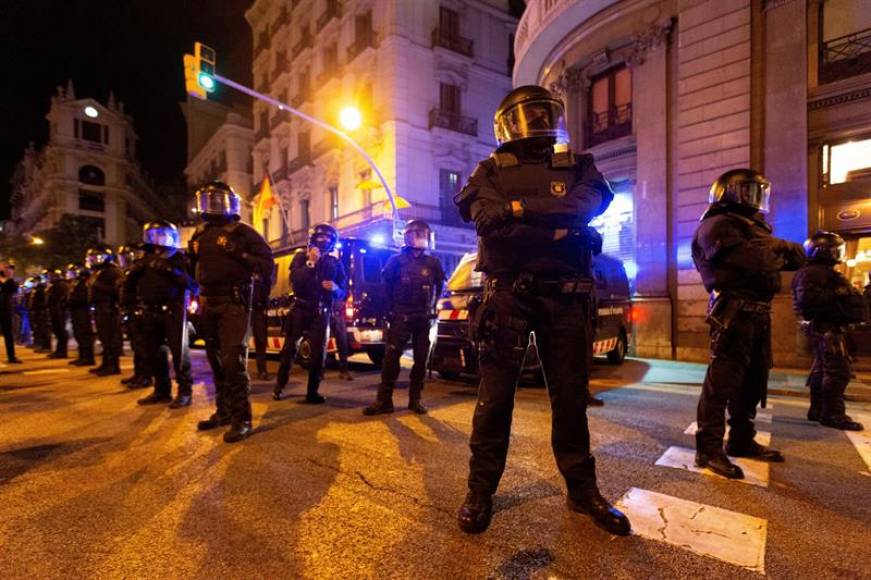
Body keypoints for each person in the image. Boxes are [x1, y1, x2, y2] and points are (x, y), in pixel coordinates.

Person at [452, 85, 629, 536]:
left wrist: (518, 210)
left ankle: (582, 491)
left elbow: (586, 205)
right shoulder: (489, 169)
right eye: (527, 115)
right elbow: (491, 228)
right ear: (507, 125)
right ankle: (479, 491)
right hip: (507, 297)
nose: (537, 122)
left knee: (570, 400)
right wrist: (562, 229)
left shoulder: (579, 164)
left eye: (543, 112)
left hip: (565, 298)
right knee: (494, 401)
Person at [691, 169, 806, 479]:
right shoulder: (716, 225)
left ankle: (741, 439)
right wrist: (777, 248)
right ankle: (708, 449)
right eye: (748, 191)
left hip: (758, 314)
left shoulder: (753, 228)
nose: (755, 198)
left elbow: (799, 257)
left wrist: (773, 247)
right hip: (733, 313)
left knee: (753, 380)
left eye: (758, 191)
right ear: (728, 192)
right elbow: (758, 261)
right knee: (722, 383)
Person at [188, 181, 273, 442]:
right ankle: (223, 412)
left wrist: (239, 254)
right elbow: (192, 270)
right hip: (208, 303)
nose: (213, 205)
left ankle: (242, 419)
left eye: (218, 199)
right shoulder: (199, 233)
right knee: (215, 361)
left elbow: (266, 264)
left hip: (233, 303)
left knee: (232, 362)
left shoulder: (243, 232)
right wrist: (189, 256)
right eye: (209, 199)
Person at [364, 220, 444, 416]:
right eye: (418, 234)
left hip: (423, 318)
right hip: (401, 317)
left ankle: (415, 400)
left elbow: (439, 286)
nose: (422, 238)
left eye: (424, 235)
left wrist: (433, 308)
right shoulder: (396, 261)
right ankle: (384, 401)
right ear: (409, 237)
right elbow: (386, 289)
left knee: (421, 359)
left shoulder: (432, 263)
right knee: (391, 358)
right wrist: (390, 313)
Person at [792, 231, 868, 431]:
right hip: (826, 328)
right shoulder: (813, 272)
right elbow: (808, 301)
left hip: (827, 327)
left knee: (822, 371)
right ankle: (833, 414)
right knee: (837, 372)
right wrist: (839, 293)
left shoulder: (818, 271)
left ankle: (818, 409)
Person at [273, 223, 346, 404]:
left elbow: (343, 291)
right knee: (289, 349)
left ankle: (313, 392)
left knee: (319, 354)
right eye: (320, 237)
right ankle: (280, 386)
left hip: (321, 312)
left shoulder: (335, 263)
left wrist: (336, 289)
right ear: (313, 239)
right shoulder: (301, 257)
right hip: (300, 308)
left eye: (328, 238)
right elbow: (295, 280)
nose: (324, 241)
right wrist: (311, 263)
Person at [128, 221, 198, 409]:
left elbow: (193, 285)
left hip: (173, 311)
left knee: (179, 355)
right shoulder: (144, 258)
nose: (157, 238)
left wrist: (170, 270)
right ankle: (161, 391)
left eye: (161, 234)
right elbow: (131, 287)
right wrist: (132, 274)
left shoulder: (179, 257)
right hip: (150, 311)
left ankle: (185, 392)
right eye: (153, 234)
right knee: (153, 353)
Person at [86, 245, 124, 376]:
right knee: (104, 337)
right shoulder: (99, 272)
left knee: (110, 337)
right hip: (99, 308)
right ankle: (106, 363)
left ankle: (113, 366)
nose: (94, 260)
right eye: (92, 258)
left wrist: (96, 284)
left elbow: (115, 291)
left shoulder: (113, 271)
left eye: (97, 257)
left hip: (109, 307)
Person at [118, 244, 152, 388]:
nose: (124, 259)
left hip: (138, 309)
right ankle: (138, 373)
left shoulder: (140, 267)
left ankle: (145, 376)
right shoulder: (130, 269)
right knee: (135, 345)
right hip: (130, 308)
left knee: (141, 345)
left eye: (127, 256)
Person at [66, 263, 95, 366]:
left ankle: (88, 358)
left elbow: (83, 297)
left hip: (82, 310)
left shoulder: (85, 281)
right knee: (78, 334)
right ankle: (82, 356)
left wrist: (71, 301)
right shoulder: (76, 282)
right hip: (76, 310)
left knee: (84, 334)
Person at [251, 270, 273, 381]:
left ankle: (262, 370)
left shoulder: (263, 272)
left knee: (261, 340)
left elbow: (267, 288)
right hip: (245, 307)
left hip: (258, 308)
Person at [0, 261, 22, 364]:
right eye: (6, 268)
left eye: (10, 269)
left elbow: (13, 289)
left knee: (8, 333)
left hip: (6, 310)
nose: (8, 270)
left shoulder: (10, 282)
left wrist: (9, 277)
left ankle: (11, 356)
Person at [46, 269, 69, 359]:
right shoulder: (55, 285)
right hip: (55, 309)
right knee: (57, 330)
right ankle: (59, 350)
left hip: (59, 310)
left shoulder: (60, 284)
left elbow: (58, 298)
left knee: (60, 330)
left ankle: (62, 351)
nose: (49, 278)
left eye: (50, 276)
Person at [29, 274, 51, 353]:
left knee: (43, 329)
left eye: (35, 281)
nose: (33, 283)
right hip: (37, 311)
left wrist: (40, 309)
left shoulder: (42, 289)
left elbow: (43, 301)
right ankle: (39, 344)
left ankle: (46, 347)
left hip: (42, 311)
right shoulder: (36, 289)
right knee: (38, 328)